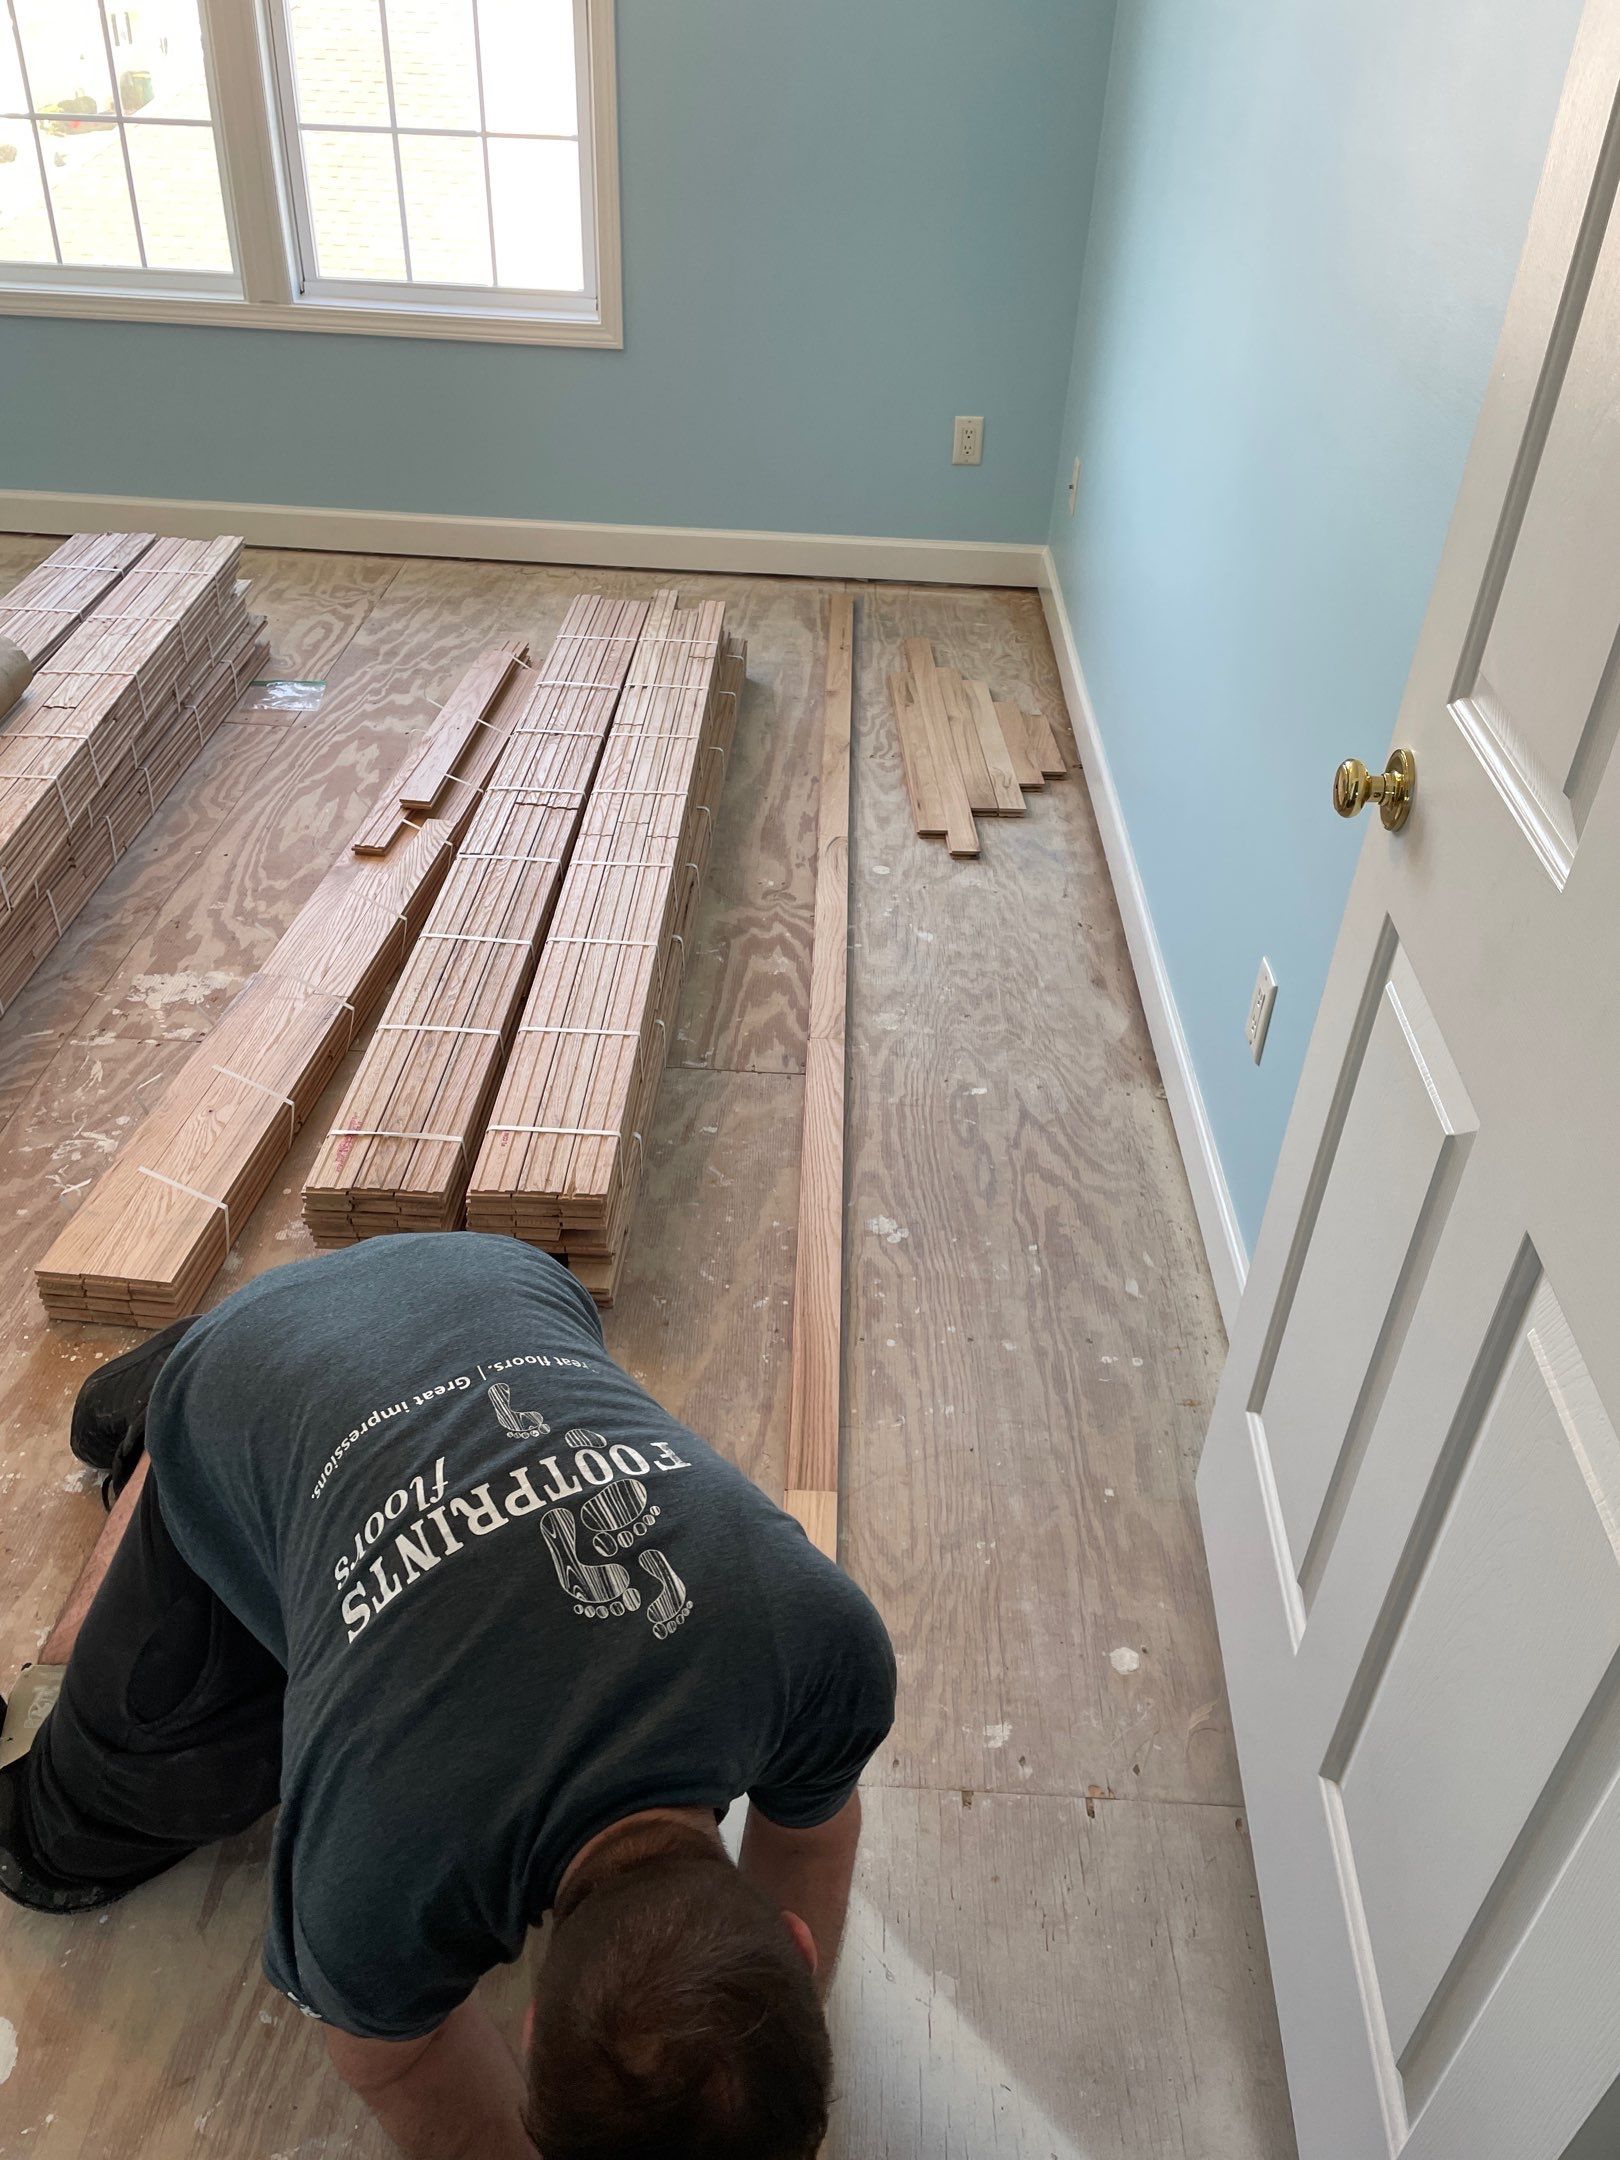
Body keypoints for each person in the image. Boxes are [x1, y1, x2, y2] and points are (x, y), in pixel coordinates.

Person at [0, 1234, 896, 2160]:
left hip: (494, 1284)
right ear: (532, 2027)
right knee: (55, 1845)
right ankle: (191, 1390)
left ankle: (302, 1349)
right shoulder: (372, 1881)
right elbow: (397, 2061)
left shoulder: (829, 1650)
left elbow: (813, 1834)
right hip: (287, 1369)